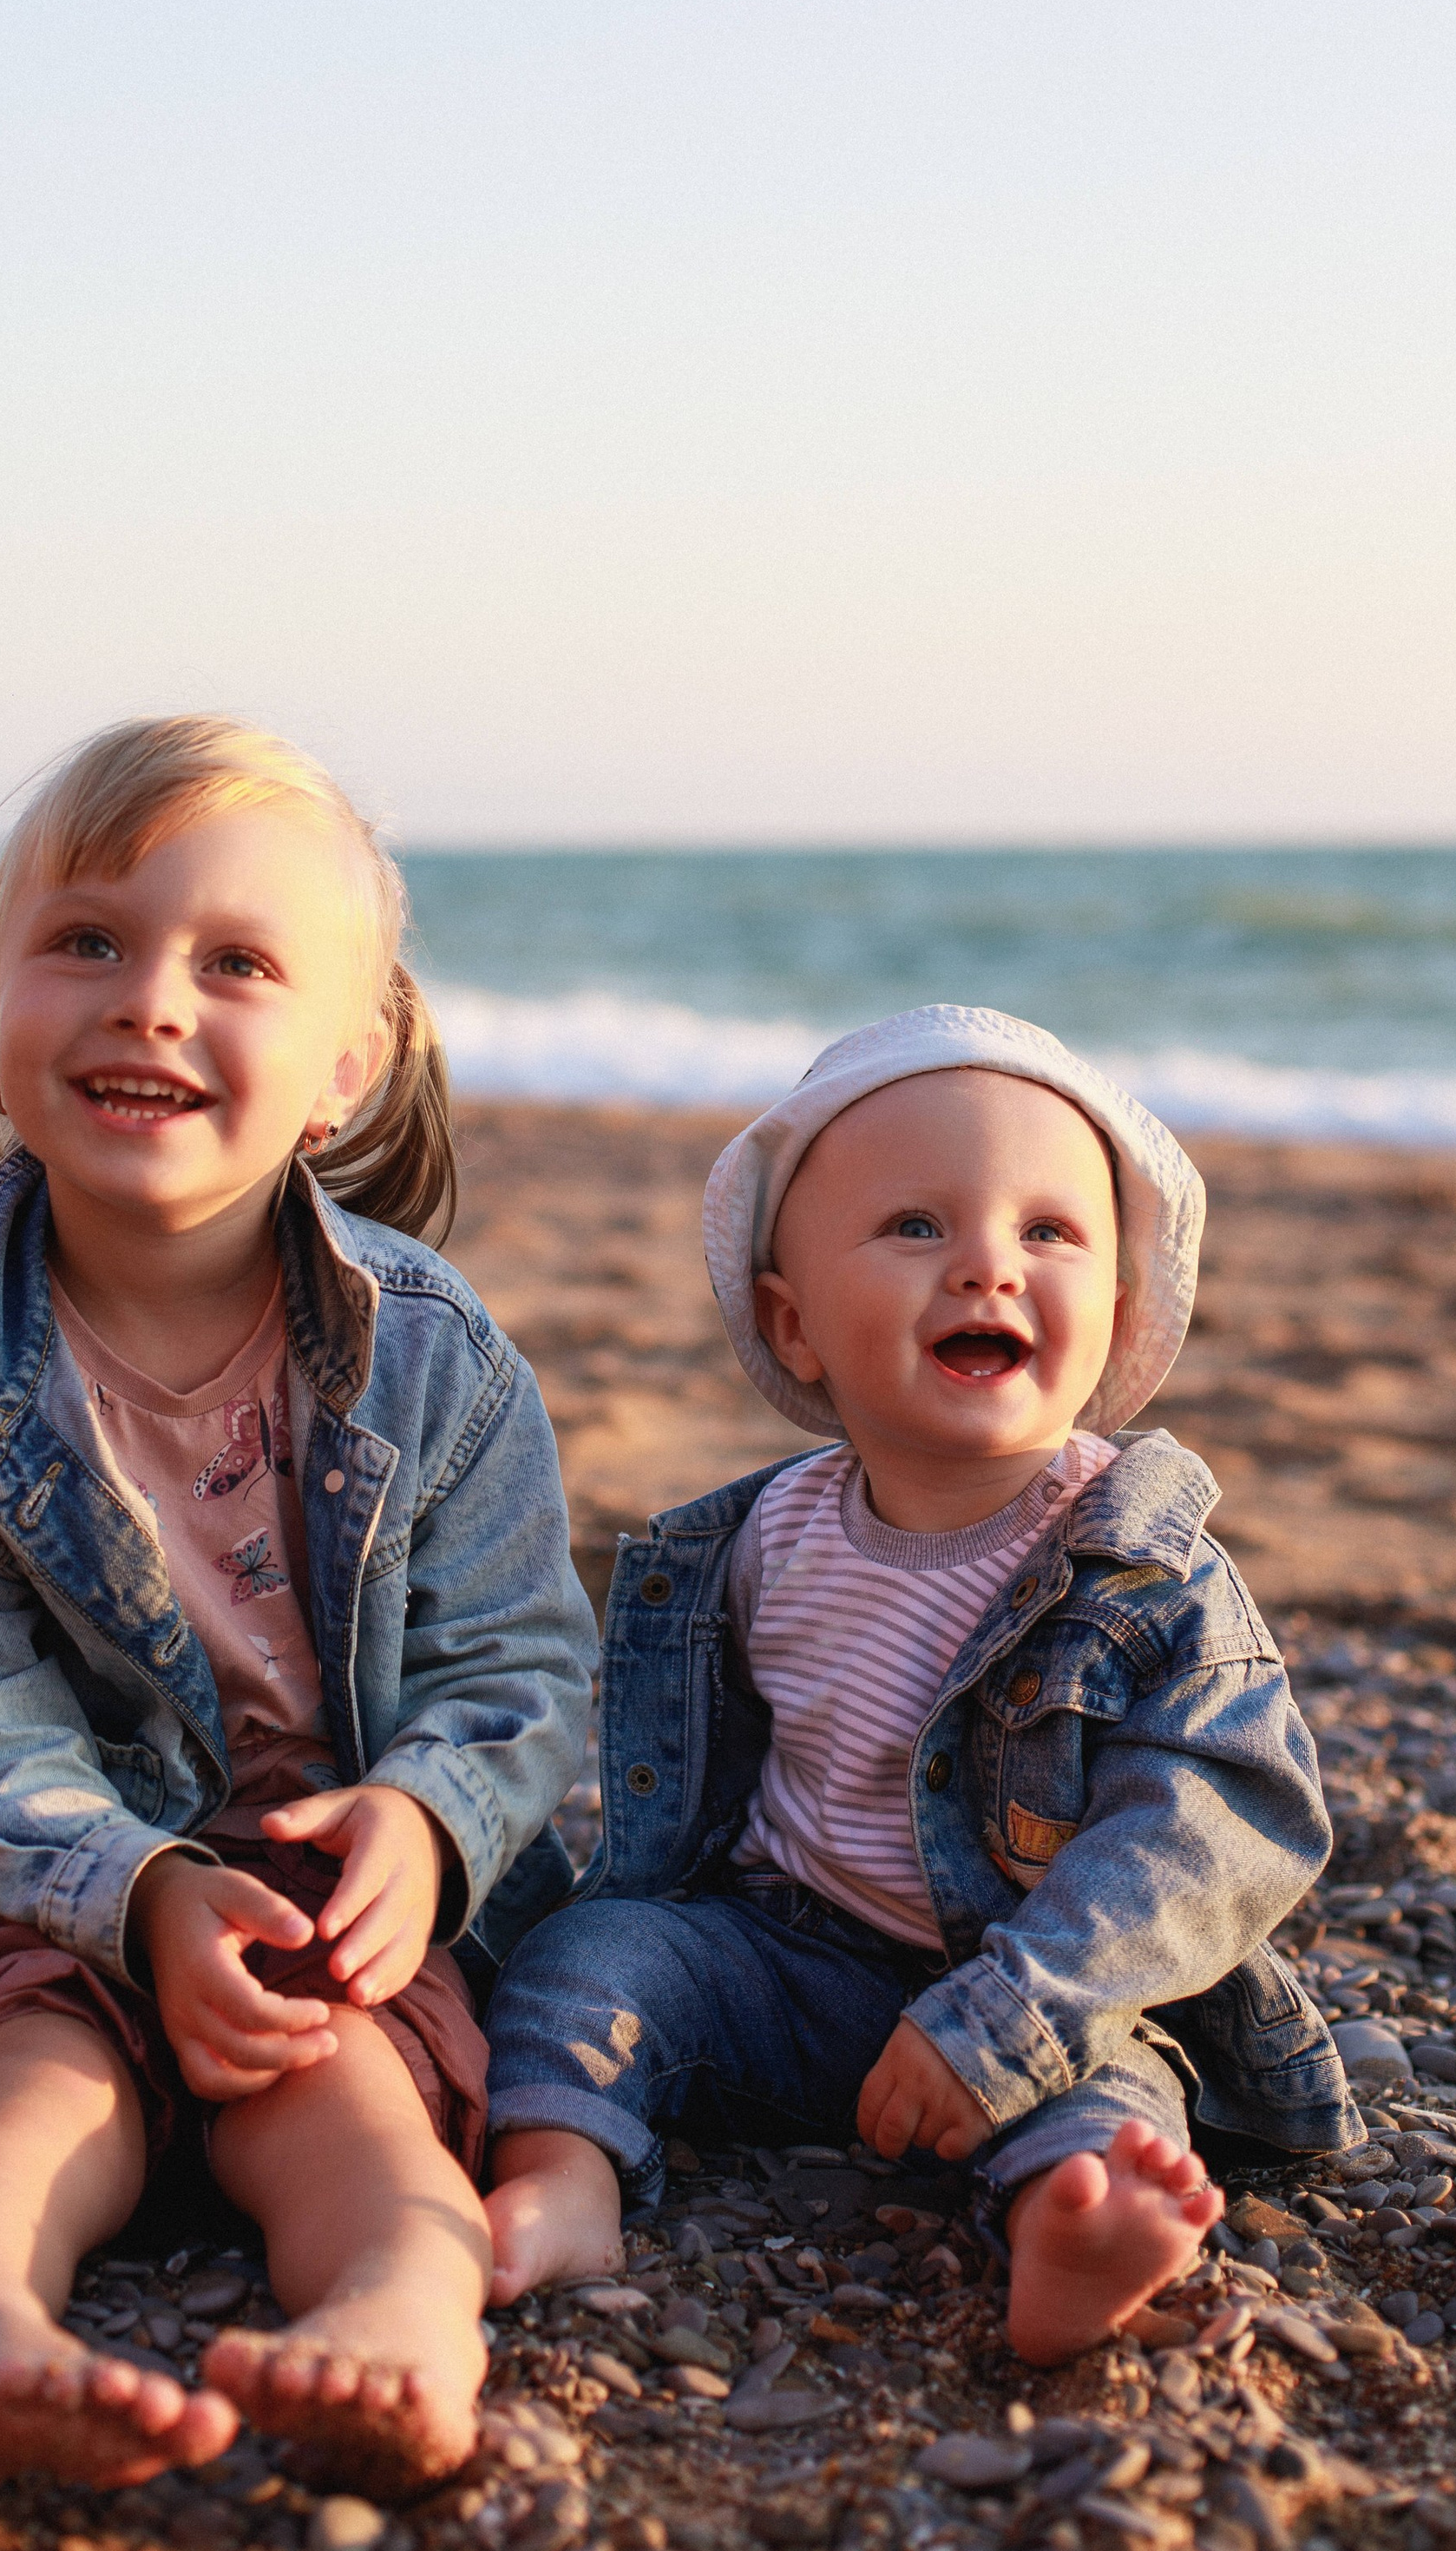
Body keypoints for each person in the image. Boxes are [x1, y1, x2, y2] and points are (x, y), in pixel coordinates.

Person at [0, 717, 594, 2501]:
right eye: (87, 942)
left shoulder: (431, 1362)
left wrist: (425, 1820)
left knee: (362, 2106)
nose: (150, 1001)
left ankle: (397, 2323)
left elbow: (517, 1665)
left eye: (233, 964)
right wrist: (135, 1891)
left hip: (317, 1907)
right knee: (16, 2098)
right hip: (14, 1900)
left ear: (342, 1069)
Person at [481, 1003, 1360, 2364]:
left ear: (1119, 1311)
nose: (986, 1271)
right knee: (589, 1960)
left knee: (1116, 2096)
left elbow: (1225, 1821)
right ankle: (567, 2180)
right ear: (797, 1325)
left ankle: (1079, 2232)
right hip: (785, 1958)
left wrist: (1014, 2012)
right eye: (915, 1228)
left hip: (1041, 1983)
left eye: (1048, 1234)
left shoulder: (1138, 1569)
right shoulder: (762, 1541)